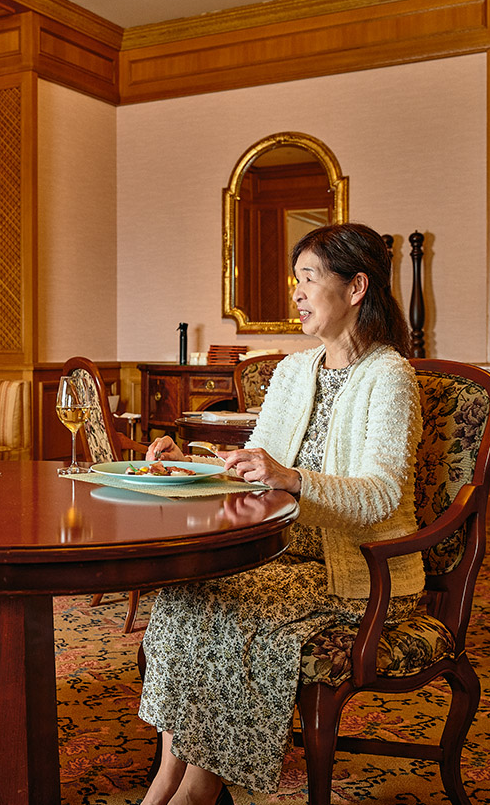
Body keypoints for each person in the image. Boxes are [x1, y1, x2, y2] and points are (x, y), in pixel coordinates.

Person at [138, 222, 425, 805]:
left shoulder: (390, 377)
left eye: (309, 279)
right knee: (182, 596)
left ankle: (197, 789)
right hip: (281, 555)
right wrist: (185, 463)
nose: (296, 293)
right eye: (296, 280)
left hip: (362, 572)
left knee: (238, 618)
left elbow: (381, 495)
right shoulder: (294, 372)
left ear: (356, 288)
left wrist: (291, 479)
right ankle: (168, 778)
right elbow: (253, 465)